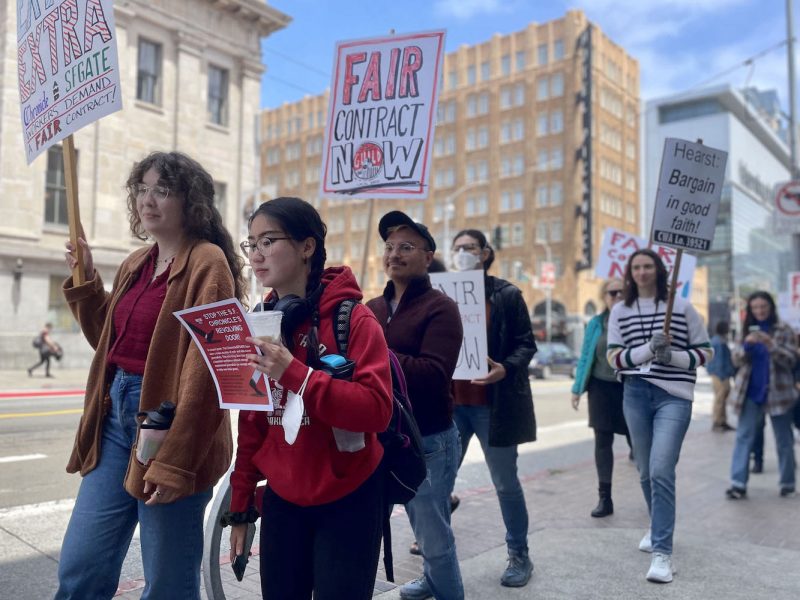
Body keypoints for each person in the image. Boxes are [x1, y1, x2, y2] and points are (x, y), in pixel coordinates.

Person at [57, 151, 245, 599]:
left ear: (191, 201)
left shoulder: (208, 262)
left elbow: (206, 374)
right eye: (142, 189)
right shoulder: (136, 263)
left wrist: (175, 460)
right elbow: (108, 340)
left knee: (167, 582)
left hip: (169, 427)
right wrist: (86, 278)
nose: (148, 200)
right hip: (114, 424)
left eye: (162, 190)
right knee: (82, 564)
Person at [228, 197, 393, 600]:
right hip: (283, 500)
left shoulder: (354, 319)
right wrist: (241, 504)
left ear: (307, 247)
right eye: (251, 243)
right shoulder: (259, 323)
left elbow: (376, 410)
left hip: (350, 496)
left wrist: (296, 374)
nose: (256, 254)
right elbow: (253, 421)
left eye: (269, 241)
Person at [366, 211, 464, 600]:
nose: (394, 254)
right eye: (389, 246)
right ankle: (431, 580)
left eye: (406, 246)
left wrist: (376, 356)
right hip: (379, 436)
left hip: (428, 439)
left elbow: (432, 375)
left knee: (433, 537)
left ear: (427, 256)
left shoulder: (441, 308)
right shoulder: (371, 308)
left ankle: (446, 590)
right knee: (368, 527)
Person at [607, 248, 712, 584]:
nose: (642, 272)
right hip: (635, 394)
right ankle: (657, 527)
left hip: (674, 396)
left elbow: (706, 351)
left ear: (659, 270)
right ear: (630, 272)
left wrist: (674, 357)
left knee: (661, 469)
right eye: (636, 267)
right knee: (644, 470)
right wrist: (648, 350)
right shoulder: (620, 311)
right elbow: (614, 358)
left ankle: (662, 553)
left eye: (648, 266)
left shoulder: (681, 307)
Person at [448, 229, 537, 588]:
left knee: (505, 483)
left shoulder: (507, 295)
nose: (462, 253)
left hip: (492, 406)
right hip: (450, 407)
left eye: (469, 247)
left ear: (485, 253)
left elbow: (526, 345)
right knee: (438, 485)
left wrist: (505, 368)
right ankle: (435, 563)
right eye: (456, 248)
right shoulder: (442, 294)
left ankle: (519, 554)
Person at [725, 291, 797, 500]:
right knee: (743, 437)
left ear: (771, 307)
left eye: (763, 306)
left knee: (784, 439)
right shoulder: (746, 329)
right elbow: (736, 359)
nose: (760, 311)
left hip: (779, 393)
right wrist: (746, 346)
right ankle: (738, 484)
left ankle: (788, 484)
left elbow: (791, 360)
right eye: (755, 307)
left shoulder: (783, 329)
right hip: (750, 392)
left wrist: (771, 345)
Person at [571, 278, 631, 518]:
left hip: (629, 387)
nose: (617, 297)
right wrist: (577, 388)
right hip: (600, 388)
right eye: (612, 293)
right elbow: (586, 355)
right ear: (604, 297)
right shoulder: (596, 323)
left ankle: (652, 491)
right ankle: (605, 498)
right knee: (603, 442)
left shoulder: (635, 320)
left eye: (622, 292)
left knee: (638, 442)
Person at [707, 321, 736, 432]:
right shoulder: (719, 342)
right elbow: (719, 360)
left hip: (720, 373)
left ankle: (722, 421)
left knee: (722, 397)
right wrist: (722, 375)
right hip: (721, 374)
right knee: (720, 397)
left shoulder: (717, 340)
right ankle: (717, 422)